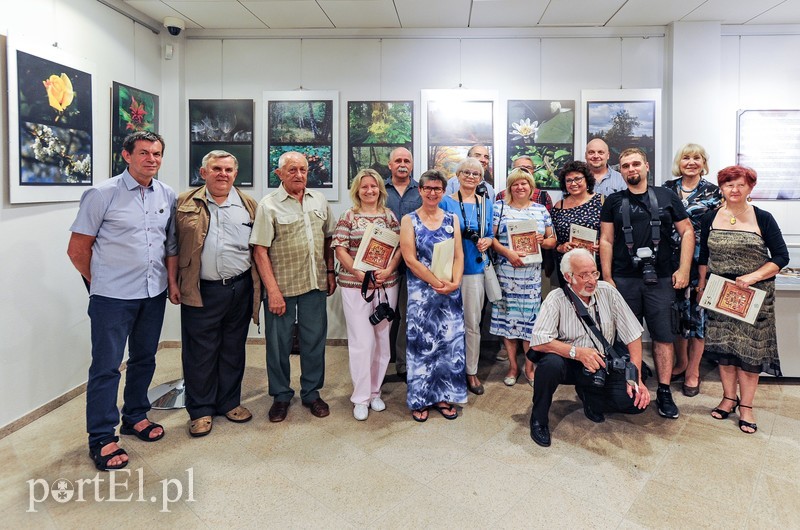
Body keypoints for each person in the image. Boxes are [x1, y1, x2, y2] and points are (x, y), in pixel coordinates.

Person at [67, 131, 175, 471]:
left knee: (144, 359)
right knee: (107, 367)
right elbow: (77, 250)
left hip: (152, 293)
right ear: (126, 156)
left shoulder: (166, 194)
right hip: (112, 298)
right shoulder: (102, 194)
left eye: (157, 154)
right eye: (144, 153)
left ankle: (135, 417)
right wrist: (99, 283)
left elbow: (165, 244)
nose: (152, 160)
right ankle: (101, 436)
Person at [166, 150, 260, 437]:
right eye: (216, 168)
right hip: (200, 288)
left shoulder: (248, 205)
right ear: (203, 172)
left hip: (239, 287)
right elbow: (171, 246)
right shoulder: (184, 202)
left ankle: (229, 402)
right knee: (200, 352)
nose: (223, 174)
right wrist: (172, 282)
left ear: (235, 173)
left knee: (233, 348)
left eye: (229, 170)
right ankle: (201, 410)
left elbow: (258, 249)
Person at [599, 147, 694, 420]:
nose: (631, 169)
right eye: (625, 166)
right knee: (625, 337)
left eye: (636, 164)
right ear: (620, 170)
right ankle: (630, 385)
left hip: (661, 277)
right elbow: (605, 240)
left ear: (647, 166)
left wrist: (684, 268)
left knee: (663, 336)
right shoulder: (613, 201)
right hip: (623, 279)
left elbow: (687, 231)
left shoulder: (666, 196)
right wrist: (607, 278)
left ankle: (663, 390)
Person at [527, 248, 649, 447]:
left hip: (601, 363)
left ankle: (591, 398)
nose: (592, 280)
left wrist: (635, 378)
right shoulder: (556, 299)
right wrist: (577, 353)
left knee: (635, 401)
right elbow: (539, 341)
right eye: (584, 275)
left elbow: (634, 335)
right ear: (568, 277)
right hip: (568, 362)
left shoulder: (607, 292)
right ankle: (539, 419)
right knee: (550, 364)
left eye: (594, 272)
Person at [698, 165, 788, 434]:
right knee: (725, 351)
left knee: (749, 353)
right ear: (721, 188)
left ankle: (746, 406)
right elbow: (704, 256)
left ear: (750, 188)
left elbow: (781, 257)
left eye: (740, 185)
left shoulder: (764, 218)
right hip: (720, 294)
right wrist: (701, 285)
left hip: (754, 295)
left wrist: (752, 277)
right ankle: (728, 398)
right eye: (728, 185)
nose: (734, 190)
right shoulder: (710, 218)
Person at [250, 151, 336, 422]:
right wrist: (272, 291)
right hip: (282, 287)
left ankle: (311, 393)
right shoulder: (268, 205)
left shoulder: (319, 200)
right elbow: (260, 251)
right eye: (292, 170)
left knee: (314, 341)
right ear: (279, 174)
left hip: (314, 283)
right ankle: (281, 395)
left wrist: (330, 272)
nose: (299, 175)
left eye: (303, 170)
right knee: (278, 344)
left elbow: (328, 238)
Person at [331, 169, 401, 420]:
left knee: (382, 341)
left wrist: (390, 268)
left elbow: (400, 247)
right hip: (355, 286)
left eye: (373, 186)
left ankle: (375, 392)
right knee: (362, 342)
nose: (369, 191)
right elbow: (340, 250)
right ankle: (360, 397)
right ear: (357, 191)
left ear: (380, 189)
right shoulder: (349, 216)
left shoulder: (389, 216)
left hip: (386, 285)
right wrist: (359, 274)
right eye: (364, 187)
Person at [399, 170, 466, 422]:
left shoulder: (451, 219)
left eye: (437, 189)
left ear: (443, 191)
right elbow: (410, 259)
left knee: (448, 347)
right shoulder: (409, 220)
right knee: (422, 347)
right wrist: (435, 281)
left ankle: (443, 396)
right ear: (420, 190)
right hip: (421, 292)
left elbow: (459, 255)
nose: (432, 193)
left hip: (449, 291)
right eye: (428, 188)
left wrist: (455, 282)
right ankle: (420, 399)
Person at [663, 144, 722, 397]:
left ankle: (693, 372)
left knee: (698, 319)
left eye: (696, 158)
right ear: (679, 161)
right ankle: (681, 362)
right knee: (675, 316)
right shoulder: (667, 189)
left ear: (703, 162)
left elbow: (717, 230)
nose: (691, 162)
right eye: (686, 157)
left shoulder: (714, 192)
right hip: (669, 263)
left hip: (702, 263)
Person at [490, 168, 556, 386]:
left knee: (530, 322)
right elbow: (491, 238)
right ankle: (512, 366)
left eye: (524, 184)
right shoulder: (499, 208)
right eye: (515, 184)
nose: (520, 187)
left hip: (531, 276)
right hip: (506, 272)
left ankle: (529, 367)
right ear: (510, 187)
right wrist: (508, 253)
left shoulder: (540, 211)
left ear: (531, 187)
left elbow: (551, 241)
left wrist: (541, 241)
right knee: (507, 320)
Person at [440, 158, 494, 395]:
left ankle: (471, 372)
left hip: (475, 270)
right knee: (448, 323)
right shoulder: (445, 202)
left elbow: (491, 233)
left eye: (475, 173)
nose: (471, 177)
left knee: (472, 324)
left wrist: (488, 240)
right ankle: (449, 370)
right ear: (458, 176)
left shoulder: (486, 204)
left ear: (481, 178)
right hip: (449, 270)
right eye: (466, 172)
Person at [384, 147, 421, 382]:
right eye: (398, 160)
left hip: (411, 263)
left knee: (408, 315)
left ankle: (403, 364)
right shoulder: (379, 189)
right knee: (384, 314)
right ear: (390, 165)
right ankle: (378, 362)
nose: (402, 164)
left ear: (412, 164)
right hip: (383, 262)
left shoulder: (421, 191)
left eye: (407, 160)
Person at [551, 160, 602, 287]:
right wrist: (560, 247)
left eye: (578, 179)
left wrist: (602, 246)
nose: (573, 183)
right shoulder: (559, 205)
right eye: (568, 180)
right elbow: (553, 238)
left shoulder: (601, 201)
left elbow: (613, 234)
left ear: (587, 179)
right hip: (568, 266)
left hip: (595, 264)